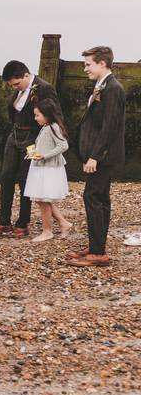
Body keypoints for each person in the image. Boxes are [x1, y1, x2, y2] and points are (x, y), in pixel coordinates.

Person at [0, 61, 61, 238]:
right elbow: (13, 111)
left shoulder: (45, 88)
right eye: (12, 86)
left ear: (26, 75)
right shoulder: (18, 90)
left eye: (17, 84)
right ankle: (3, 221)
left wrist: (47, 142)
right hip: (15, 135)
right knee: (6, 176)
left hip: (33, 138)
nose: (15, 88)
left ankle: (22, 222)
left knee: (26, 179)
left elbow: (55, 115)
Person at [68, 46, 126, 267]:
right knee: (99, 198)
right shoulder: (102, 86)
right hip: (98, 154)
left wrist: (95, 156)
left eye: (88, 64)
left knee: (93, 198)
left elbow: (110, 127)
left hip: (103, 156)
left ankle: (99, 253)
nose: (85, 68)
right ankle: (95, 247)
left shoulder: (113, 89)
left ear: (102, 64)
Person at [23, 100, 73, 242]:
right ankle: (64, 223)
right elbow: (45, 145)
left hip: (48, 168)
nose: (35, 118)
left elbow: (63, 146)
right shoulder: (46, 127)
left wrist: (45, 156)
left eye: (38, 115)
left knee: (43, 199)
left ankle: (47, 231)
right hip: (40, 167)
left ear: (47, 115)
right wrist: (34, 153)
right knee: (41, 199)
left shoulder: (53, 127)